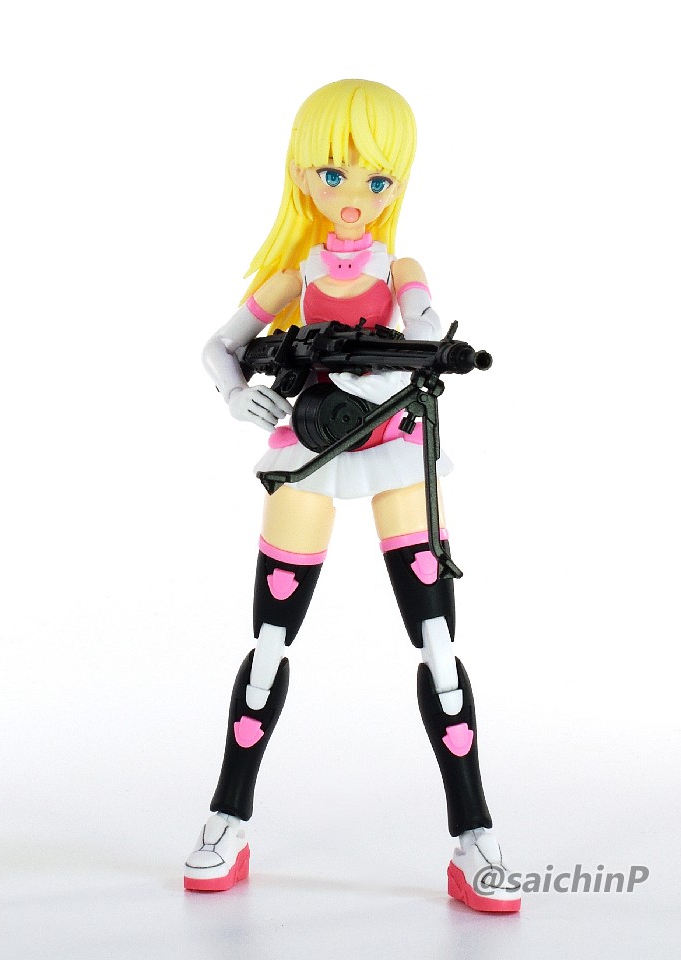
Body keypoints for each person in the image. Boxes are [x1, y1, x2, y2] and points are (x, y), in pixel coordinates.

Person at [184, 79, 521, 913]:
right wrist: (239, 395)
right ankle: (228, 817)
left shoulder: (400, 268)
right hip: (307, 442)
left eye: (378, 179)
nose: (354, 195)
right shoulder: (295, 276)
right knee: (271, 640)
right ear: (303, 174)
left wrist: (410, 355)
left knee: (436, 640)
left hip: (391, 443)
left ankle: (473, 831)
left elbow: (425, 328)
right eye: (334, 173)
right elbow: (219, 346)